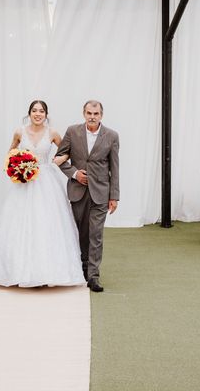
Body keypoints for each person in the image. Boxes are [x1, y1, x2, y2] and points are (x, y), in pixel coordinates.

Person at [0, 100, 86, 287]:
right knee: (19, 222)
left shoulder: (52, 133)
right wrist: (16, 166)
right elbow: (11, 152)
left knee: (46, 222)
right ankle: (16, 270)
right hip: (25, 182)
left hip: (46, 181)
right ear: (29, 113)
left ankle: (47, 272)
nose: (38, 114)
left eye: (41, 111)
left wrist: (60, 158)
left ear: (46, 114)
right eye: (34, 111)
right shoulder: (20, 131)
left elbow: (68, 151)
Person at [55, 100, 119, 292]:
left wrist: (114, 196)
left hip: (101, 192)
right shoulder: (72, 132)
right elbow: (60, 157)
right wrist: (75, 174)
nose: (92, 116)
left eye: (96, 113)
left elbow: (115, 167)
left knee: (96, 234)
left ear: (101, 115)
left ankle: (93, 276)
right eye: (89, 113)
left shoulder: (112, 136)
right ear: (84, 113)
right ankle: (82, 269)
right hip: (77, 191)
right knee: (81, 232)